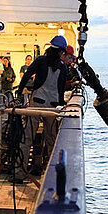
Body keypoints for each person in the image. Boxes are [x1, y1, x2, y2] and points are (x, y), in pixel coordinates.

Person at [13, 36, 69, 181]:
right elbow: (61, 89)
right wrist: (62, 106)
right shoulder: (62, 67)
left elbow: (26, 76)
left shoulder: (40, 61)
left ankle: (19, 174)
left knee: (27, 139)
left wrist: (19, 93)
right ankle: (53, 177)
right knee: (52, 142)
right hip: (52, 108)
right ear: (61, 51)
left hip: (36, 104)